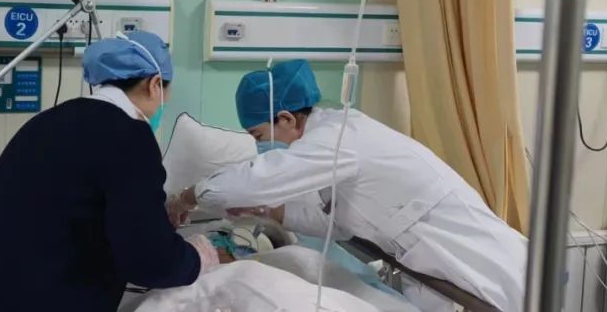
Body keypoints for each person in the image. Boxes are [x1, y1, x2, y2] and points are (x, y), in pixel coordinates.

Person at [167, 60, 528, 312]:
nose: (260, 145)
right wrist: (273, 212)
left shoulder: (338, 139)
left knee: (519, 298)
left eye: (259, 135)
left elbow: (259, 177)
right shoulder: (330, 142)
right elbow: (337, 221)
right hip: (424, 261)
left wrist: (187, 197)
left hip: (472, 251)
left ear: (286, 118)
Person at [0, 31, 222, 312]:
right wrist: (197, 258)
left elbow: (68, 210)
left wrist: (153, 217)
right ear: (154, 85)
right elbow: (149, 261)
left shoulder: (47, 122)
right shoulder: (130, 136)